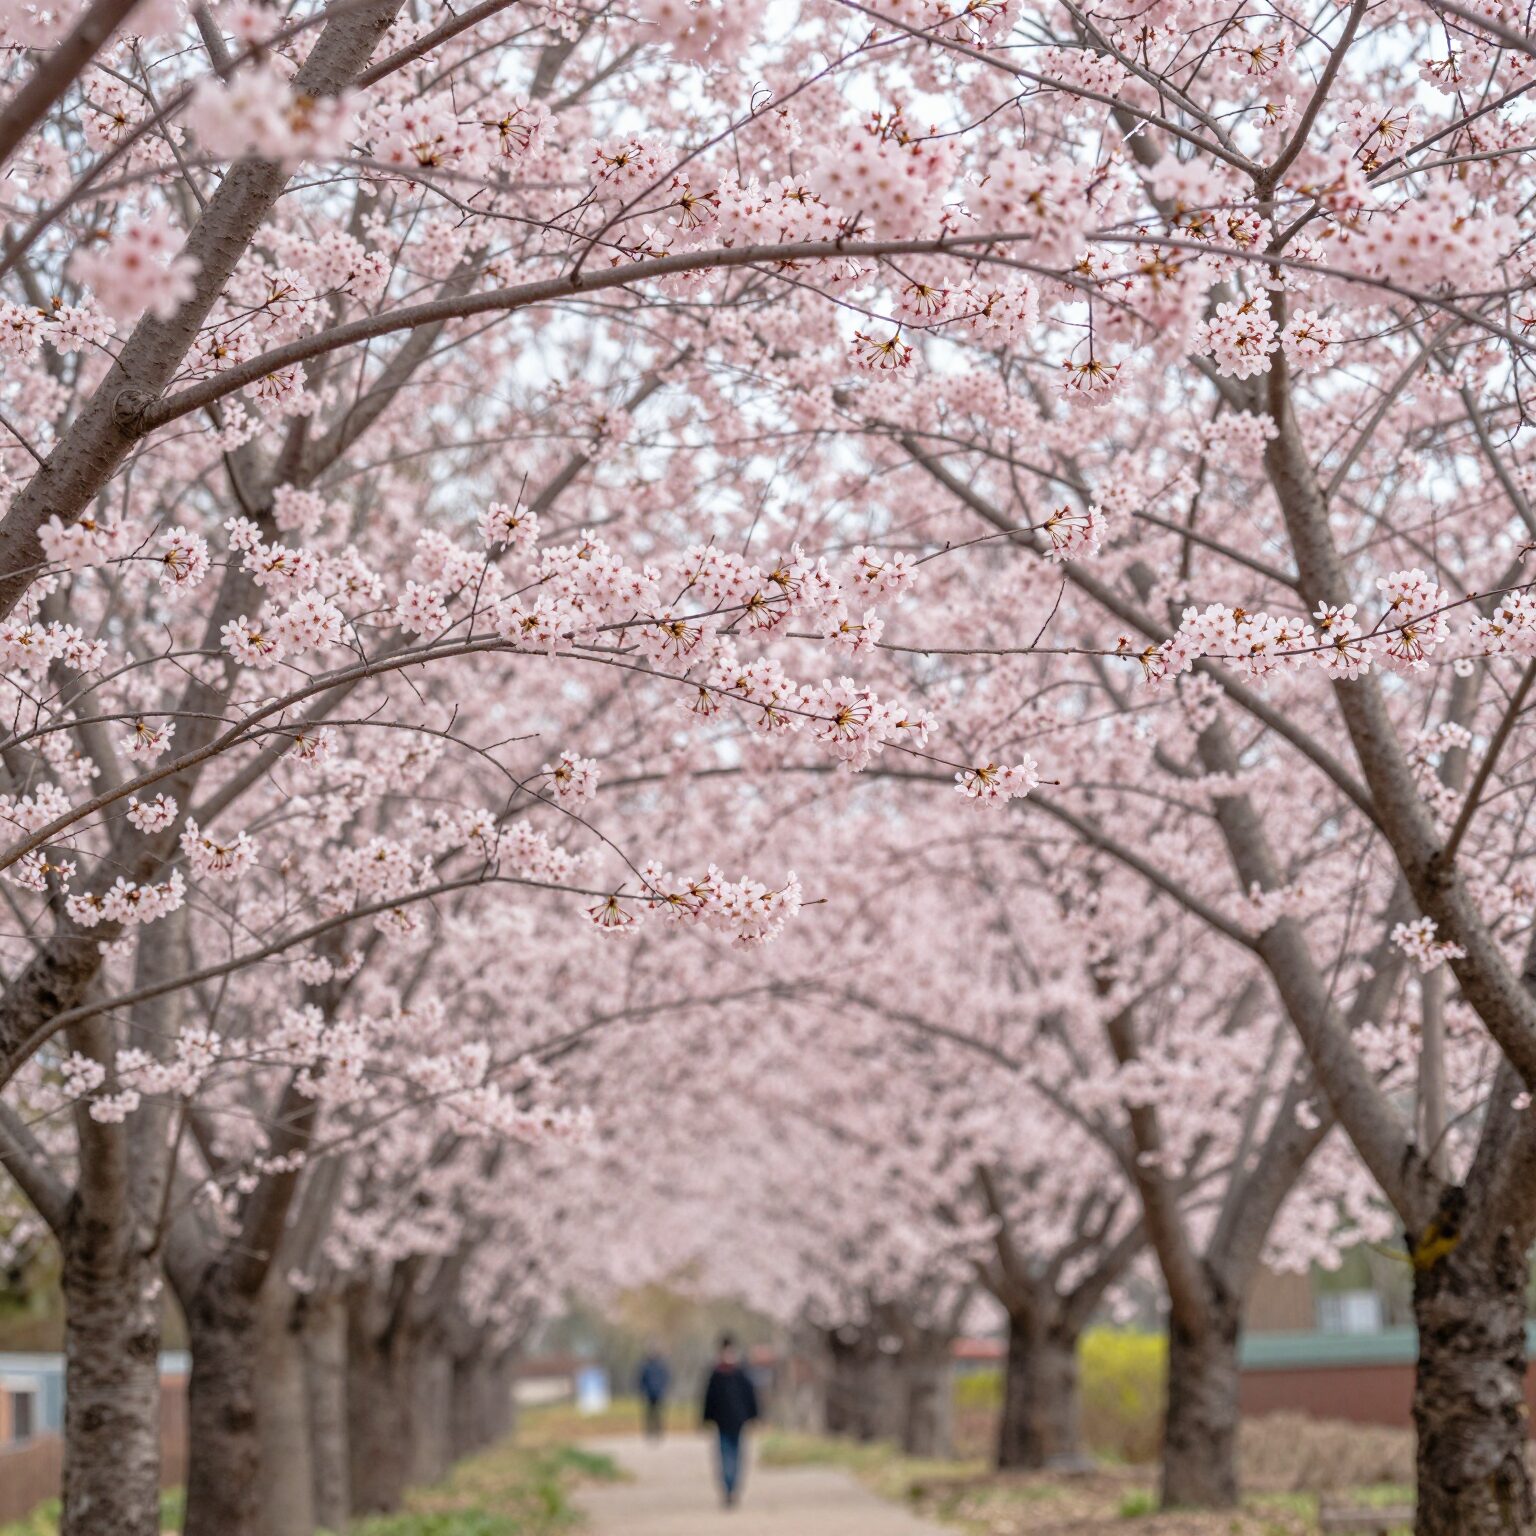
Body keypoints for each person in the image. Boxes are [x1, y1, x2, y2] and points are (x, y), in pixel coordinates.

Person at [701, 1334, 759, 1508]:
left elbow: (751, 1397)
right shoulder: (717, 1374)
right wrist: (706, 1418)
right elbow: (708, 1399)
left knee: (737, 1456)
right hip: (722, 1422)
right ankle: (728, 1489)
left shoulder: (741, 1374)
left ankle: (733, 1488)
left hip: (738, 1422)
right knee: (726, 1456)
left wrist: (753, 1416)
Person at [636, 1348, 671, 1441]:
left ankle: (658, 1430)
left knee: (657, 1414)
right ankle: (651, 1431)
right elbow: (642, 1380)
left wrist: (663, 1388)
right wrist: (642, 1390)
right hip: (650, 1393)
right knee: (650, 1414)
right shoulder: (647, 1367)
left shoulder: (659, 1367)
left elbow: (665, 1378)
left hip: (658, 1393)